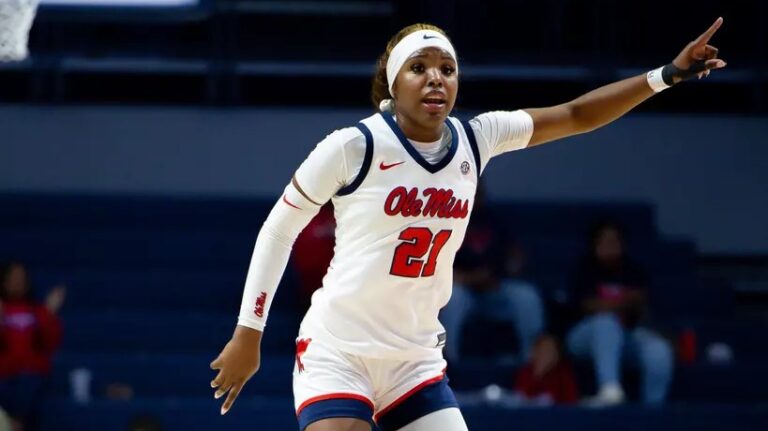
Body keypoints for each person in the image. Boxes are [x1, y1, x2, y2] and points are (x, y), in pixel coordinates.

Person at [210, 19, 726, 430]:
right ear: (394, 83)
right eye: (420, 67)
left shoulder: (478, 138)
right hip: (339, 351)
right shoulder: (354, 145)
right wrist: (248, 334)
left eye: (447, 67)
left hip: (414, 361)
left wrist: (666, 75)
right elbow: (279, 229)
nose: (436, 77)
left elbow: (573, 115)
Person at [565, 221, 673, 405]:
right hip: (584, 337)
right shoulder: (585, 269)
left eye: (614, 241)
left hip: (626, 334)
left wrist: (618, 305)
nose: (610, 246)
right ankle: (610, 390)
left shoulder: (633, 271)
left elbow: (642, 306)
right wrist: (624, 303)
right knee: (606, 322)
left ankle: (654, 408)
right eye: (605, 242)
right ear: (595, 245)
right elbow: (589, 306)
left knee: (658, 350)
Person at [440, 183, 544, 363]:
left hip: (496, 288)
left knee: (527, 296)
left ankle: (532, 363)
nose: (475, 195)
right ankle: (450, 363)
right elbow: (437, 265)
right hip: (463, 291)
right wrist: (470, 278)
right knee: (453, 296)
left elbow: (515, 257)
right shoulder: (446, 220)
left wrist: (502, 271)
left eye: (478, 191)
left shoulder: (494, 221)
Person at [0, 262, 65, 431]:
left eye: (21, 278)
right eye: (13, 278)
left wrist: (48, 313)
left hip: (31, 374)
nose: (18, 282)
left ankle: (15, 423)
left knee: (29, 384)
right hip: (3, 373)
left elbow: (52, 342)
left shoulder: (38, 310)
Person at [513, 334, 578, 406]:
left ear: (557, 356)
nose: (546, 354)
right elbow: (520, 399)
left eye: (551, 350)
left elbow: (571, 402)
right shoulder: (525, 373)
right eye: (543, 349)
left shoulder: (563, 375)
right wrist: (538, 374)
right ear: (534, 352)